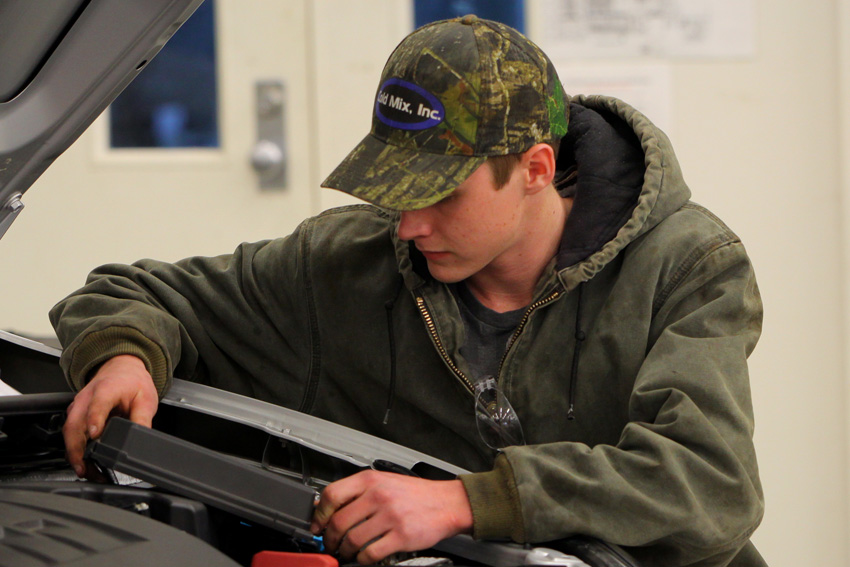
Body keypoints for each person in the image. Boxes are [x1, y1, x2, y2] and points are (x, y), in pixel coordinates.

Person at [51, 15, 765, 567]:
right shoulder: (342, 263)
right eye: (396, 191)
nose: (411, 224)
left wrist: (468, 501)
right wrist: (125, 354)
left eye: (439, 194)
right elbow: (132, 292)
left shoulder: (688, 264)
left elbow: (710, 481)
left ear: (536, 168)